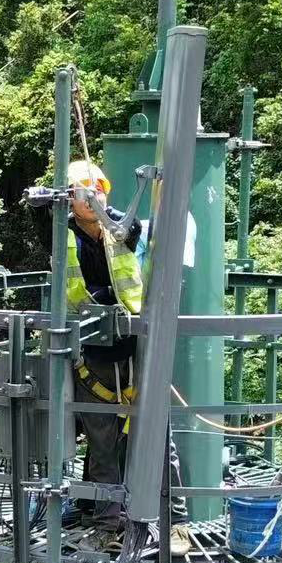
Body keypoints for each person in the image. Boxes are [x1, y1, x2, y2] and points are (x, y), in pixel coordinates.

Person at [58, 159, 166, 527]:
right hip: (90, 346)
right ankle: (105, 516)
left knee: (137, 432)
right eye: (81, 195)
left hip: (129, 342)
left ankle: (126, 507)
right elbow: (50, 229)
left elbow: (128, 224)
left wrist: (104, 207)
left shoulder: (121, 229)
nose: (90, 201)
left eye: (96, 193)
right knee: (100, 434)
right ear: (69, 199)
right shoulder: (63, 233)